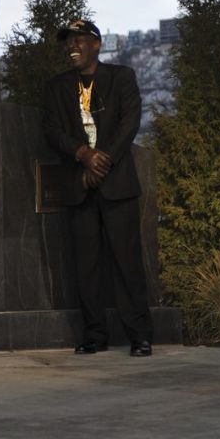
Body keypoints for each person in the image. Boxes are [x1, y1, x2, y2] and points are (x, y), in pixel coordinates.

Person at [42, 18, 153, 357]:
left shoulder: (121, 78)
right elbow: (52, 129)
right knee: (86, 267)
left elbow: (129, 123)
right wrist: (82, 154)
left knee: (127, 262)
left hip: (116, 185)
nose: (71, 47)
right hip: (79, 185)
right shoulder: (56, 87)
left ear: (96, 44)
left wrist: (101, 161)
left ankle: (140, 335)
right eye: (68, 42)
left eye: (78, 40)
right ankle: (94, 335)